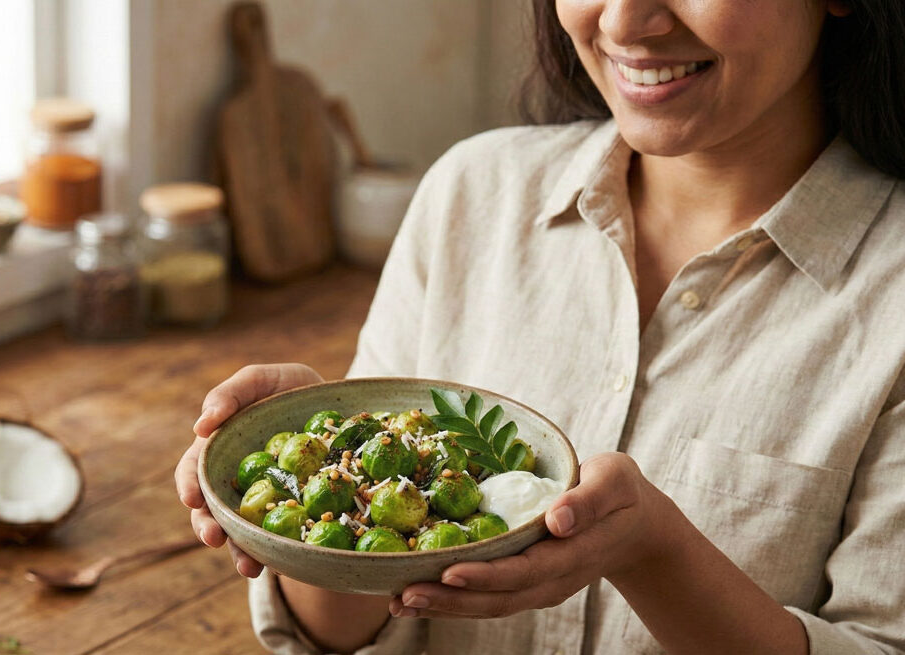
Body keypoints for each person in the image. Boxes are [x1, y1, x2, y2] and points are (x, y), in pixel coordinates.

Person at [177, 0, 905, 652]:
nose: (623, 22)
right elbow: (345, 630)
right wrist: (308, 492)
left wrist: (654, 551)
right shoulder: (472, 192)